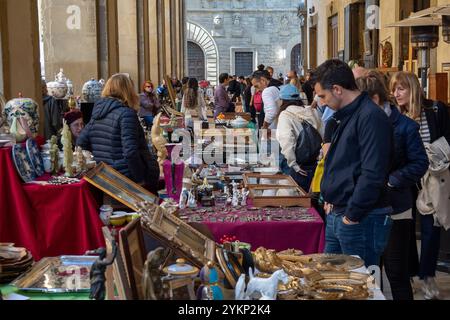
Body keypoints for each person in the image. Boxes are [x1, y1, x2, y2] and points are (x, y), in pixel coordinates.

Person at [312, 59, 394, 268]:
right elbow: (341, 162)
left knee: (358, 285)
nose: (320, 102)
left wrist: (352, 215)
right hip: (339, 212)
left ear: (337, 89)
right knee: (330, 280)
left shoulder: (370, 117)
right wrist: (332, 196)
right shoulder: (345, 115)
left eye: (323, 95)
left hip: (360, 218)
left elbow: (373, 173)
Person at [357, 71, 429, 300]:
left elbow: (420, 163)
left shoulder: (406, 126)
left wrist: (392, 180)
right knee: (369, 271)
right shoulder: (362, 122)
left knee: (396, 271)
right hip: (367, 205)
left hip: (396, 207)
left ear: (375, 100)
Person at [390, 71, 450, 299]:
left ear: (413, 88)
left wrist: (434, 154)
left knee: (430, 229)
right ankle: (409, 274)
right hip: (406, 180)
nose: (396, 94)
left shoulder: (435, 109)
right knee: (405, 231)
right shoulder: (395, 115)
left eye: (401, 89)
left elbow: (447, 137)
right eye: (394, 89)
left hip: (432, 179)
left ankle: (427, 277)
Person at [77, 73, 160, 195]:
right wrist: (140, 179)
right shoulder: (126, 114)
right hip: (124, 177)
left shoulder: (97, 113)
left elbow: (81, 142)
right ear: (127, 91)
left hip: (104, 176)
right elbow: (130, 152)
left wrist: (100, 158)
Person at [277, 84, 322, 191]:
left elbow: (287, 141)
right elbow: (322, 135)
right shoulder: (312, 111)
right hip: (315, 164)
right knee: (313, 198)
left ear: (282, 100)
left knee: (298, 198)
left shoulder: (285, 115)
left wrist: (293, 164)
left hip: (299, 165)